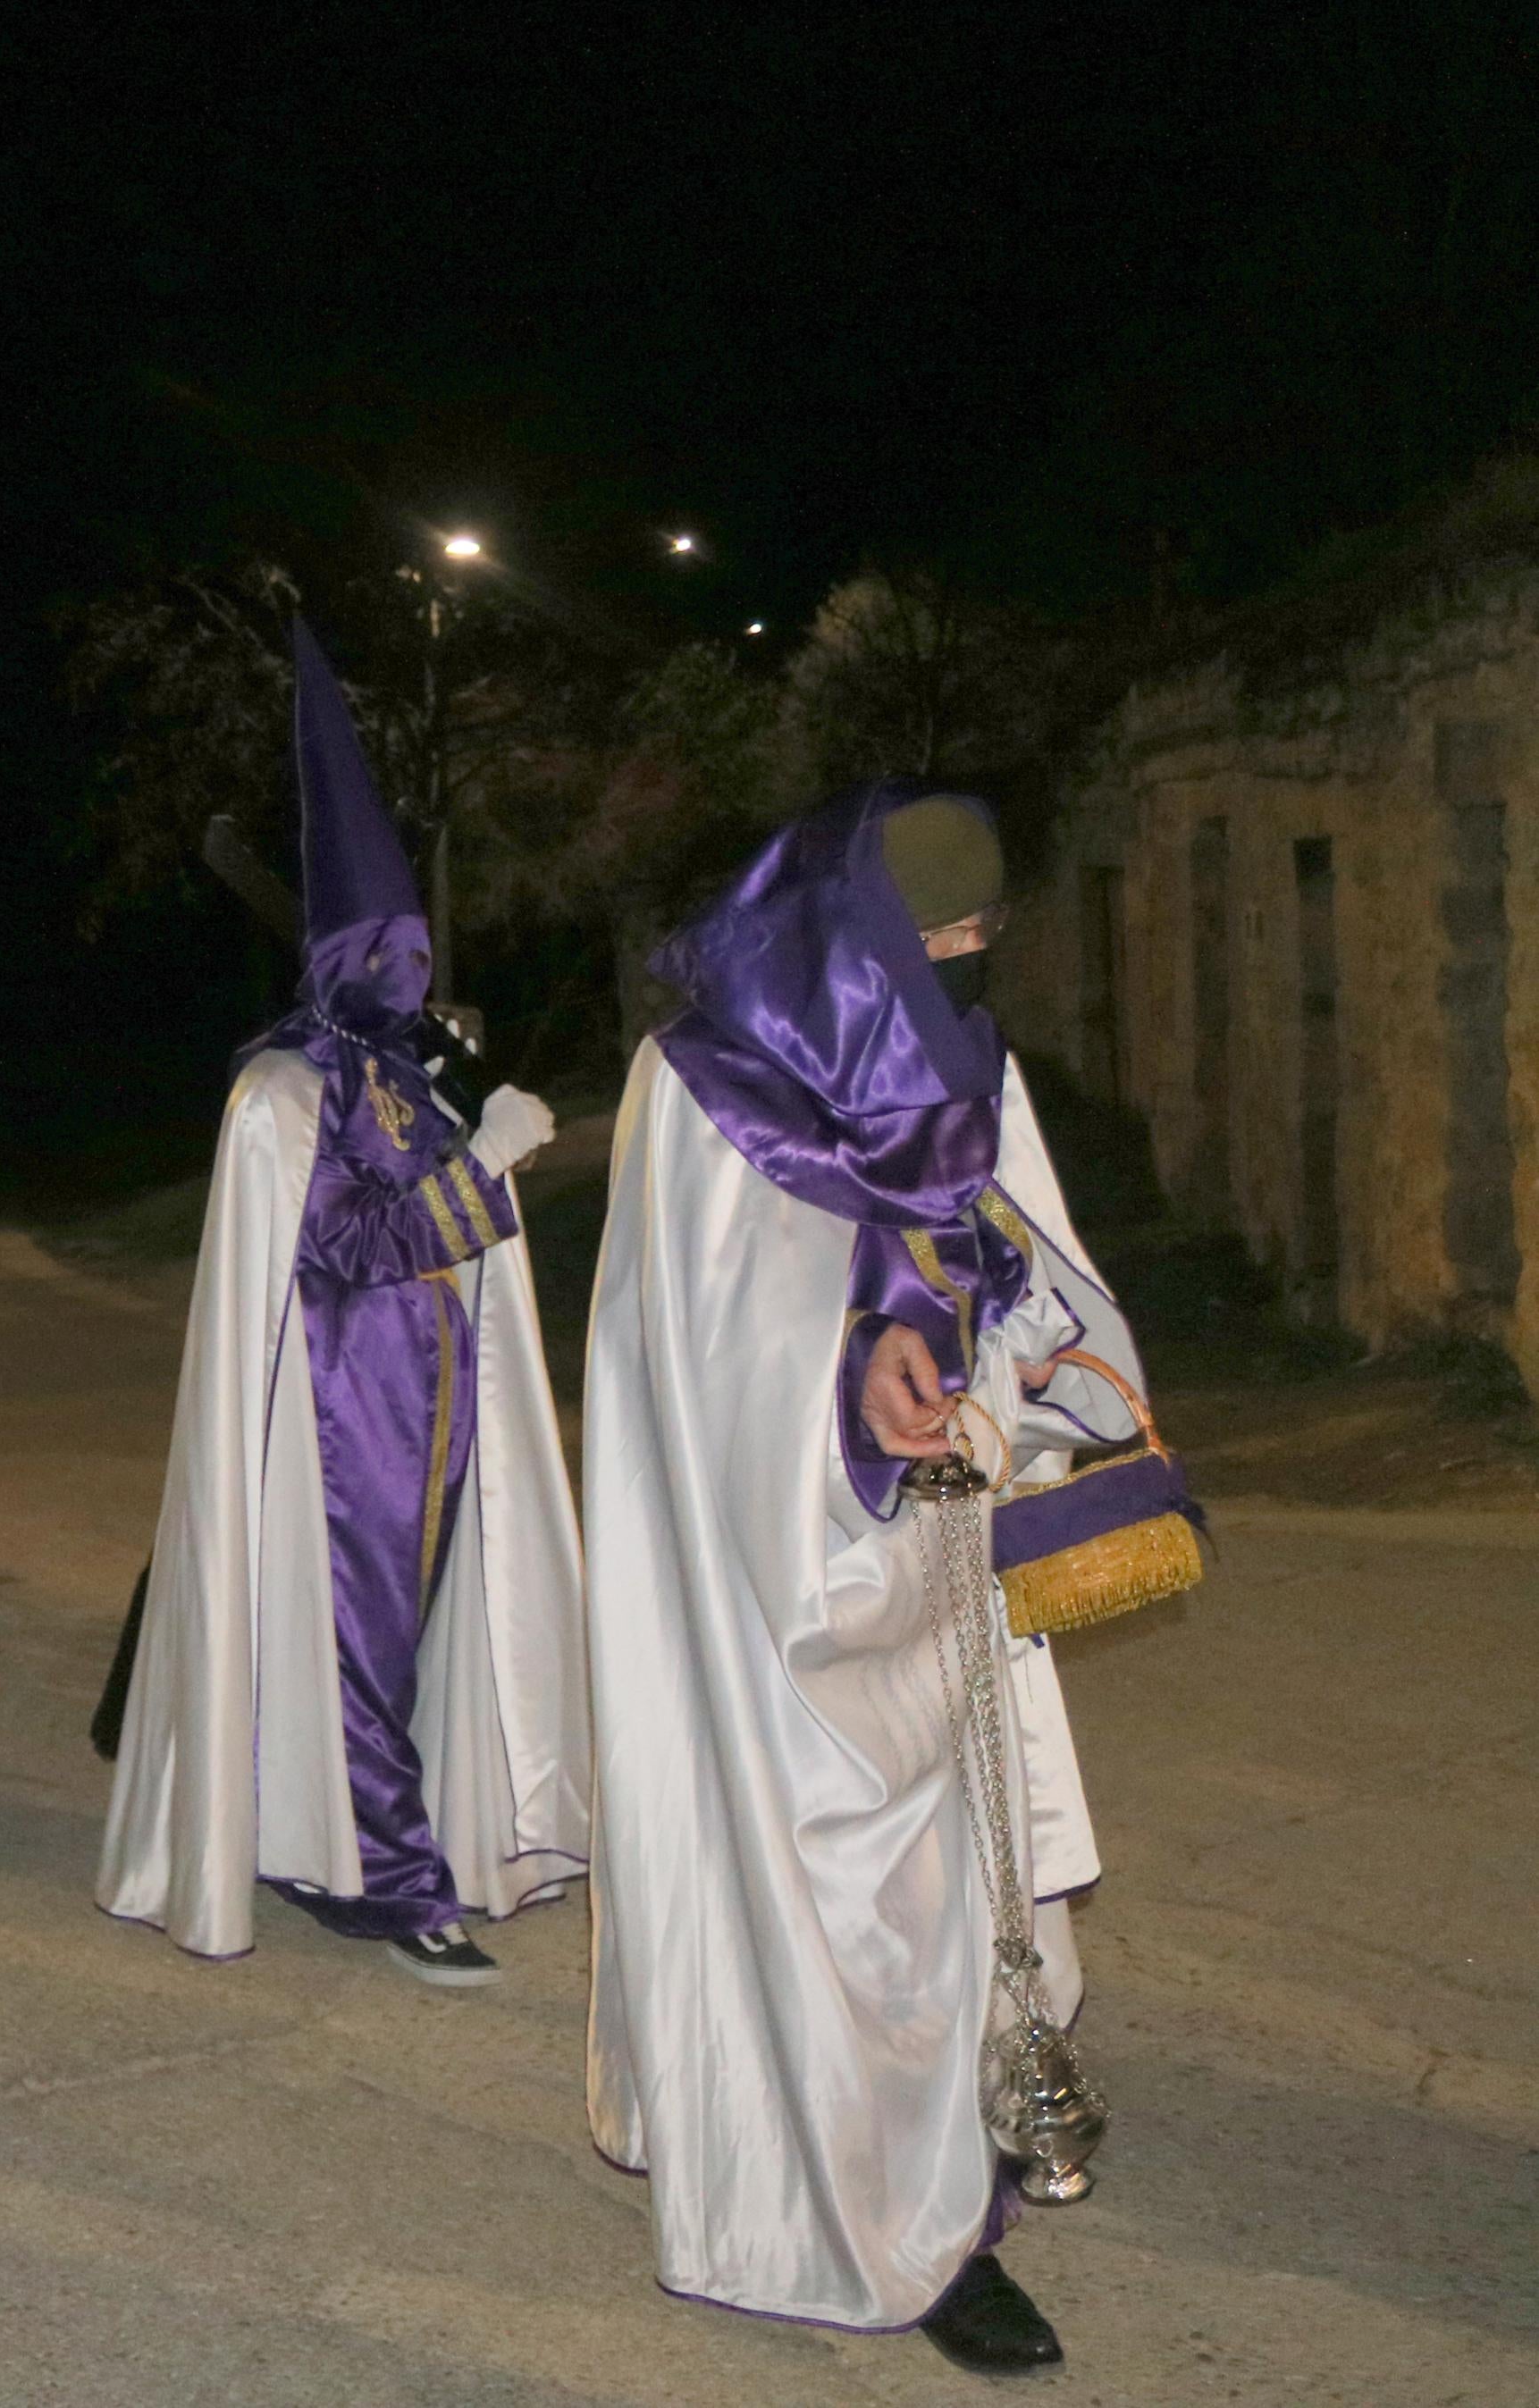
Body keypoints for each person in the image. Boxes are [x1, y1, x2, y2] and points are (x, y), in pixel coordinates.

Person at [582, 784, 1147, 2375]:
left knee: (956, 1886)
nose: (962, 968)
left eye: (981, 944)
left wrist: (986, 1353)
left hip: (935, 1549)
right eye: (935, 943)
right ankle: (803, 2197)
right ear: (846, 943)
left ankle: (947, 2205)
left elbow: (1025, 1254)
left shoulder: (964, 1059)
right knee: (806, 1883)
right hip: (768, 1589)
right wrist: (855, 1363)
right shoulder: (693, 1090)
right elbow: (697, 1358)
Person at [97, 625, 588, 1983]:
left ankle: (352, 1826)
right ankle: (384, 1877)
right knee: (359, 1643)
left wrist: (471, 1114)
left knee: (412, 1637)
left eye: (418, 944)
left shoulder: (410, 1070)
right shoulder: (283, 1090)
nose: (409, 967)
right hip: (337, 1418)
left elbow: (449, 1238)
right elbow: (352, 1245)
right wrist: (480, 1168)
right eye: (388, 946)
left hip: (438, 1406)